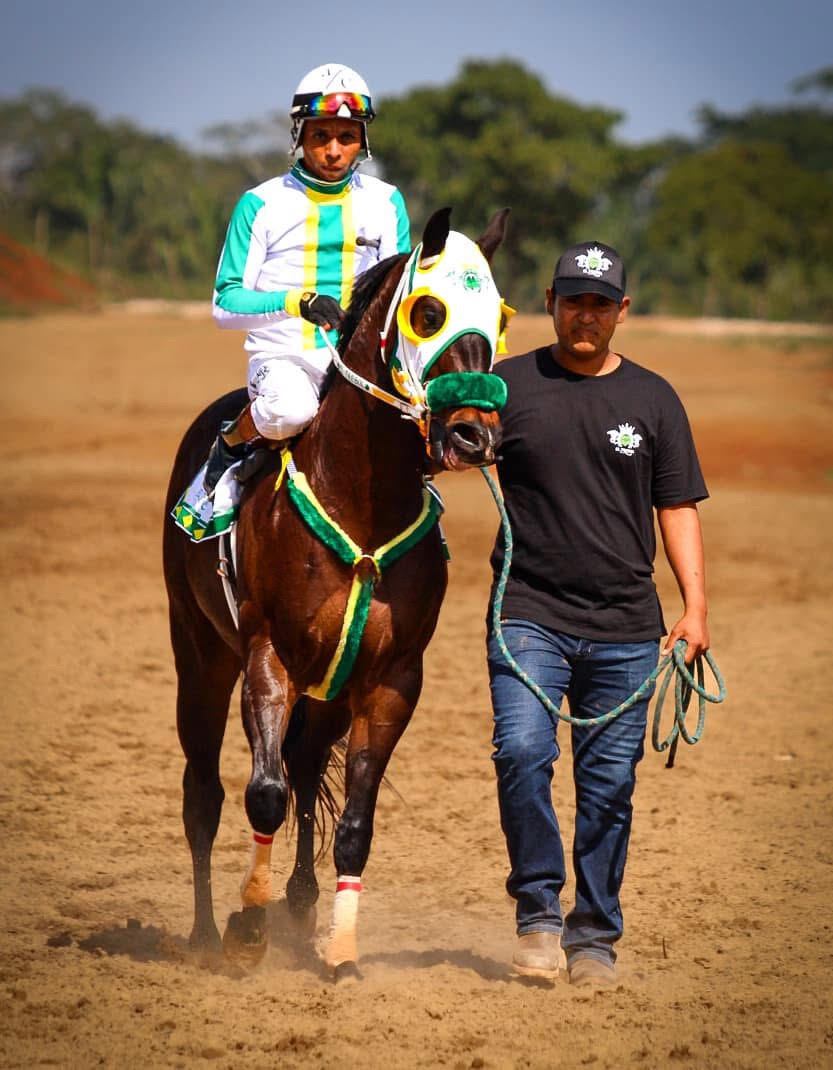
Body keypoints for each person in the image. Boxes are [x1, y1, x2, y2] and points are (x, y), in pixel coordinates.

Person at [486, 240, 709, 988]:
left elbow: (674, 506)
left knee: (609, 787)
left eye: (600, 302)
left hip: (624, 627)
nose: (586, 315)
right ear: (549, 304)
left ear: (621, 311)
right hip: (528, 614)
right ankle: (538, 915)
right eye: (572, 300)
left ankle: (593, 939)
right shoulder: (504, 386)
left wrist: (695, 608)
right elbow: (442, 451)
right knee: (521, 754)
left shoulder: (654, 398)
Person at [204, 62, 411, 493]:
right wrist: (297, 303)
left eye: (347, 137)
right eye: (320, 137)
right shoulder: (259, 203)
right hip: (283, 363)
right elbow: (225, 304)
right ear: (299, 136)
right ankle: (230, 443)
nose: (334, 151)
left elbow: (396, 295)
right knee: (290, 412)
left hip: (362, 366)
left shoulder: (388, 202)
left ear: (362, 141)